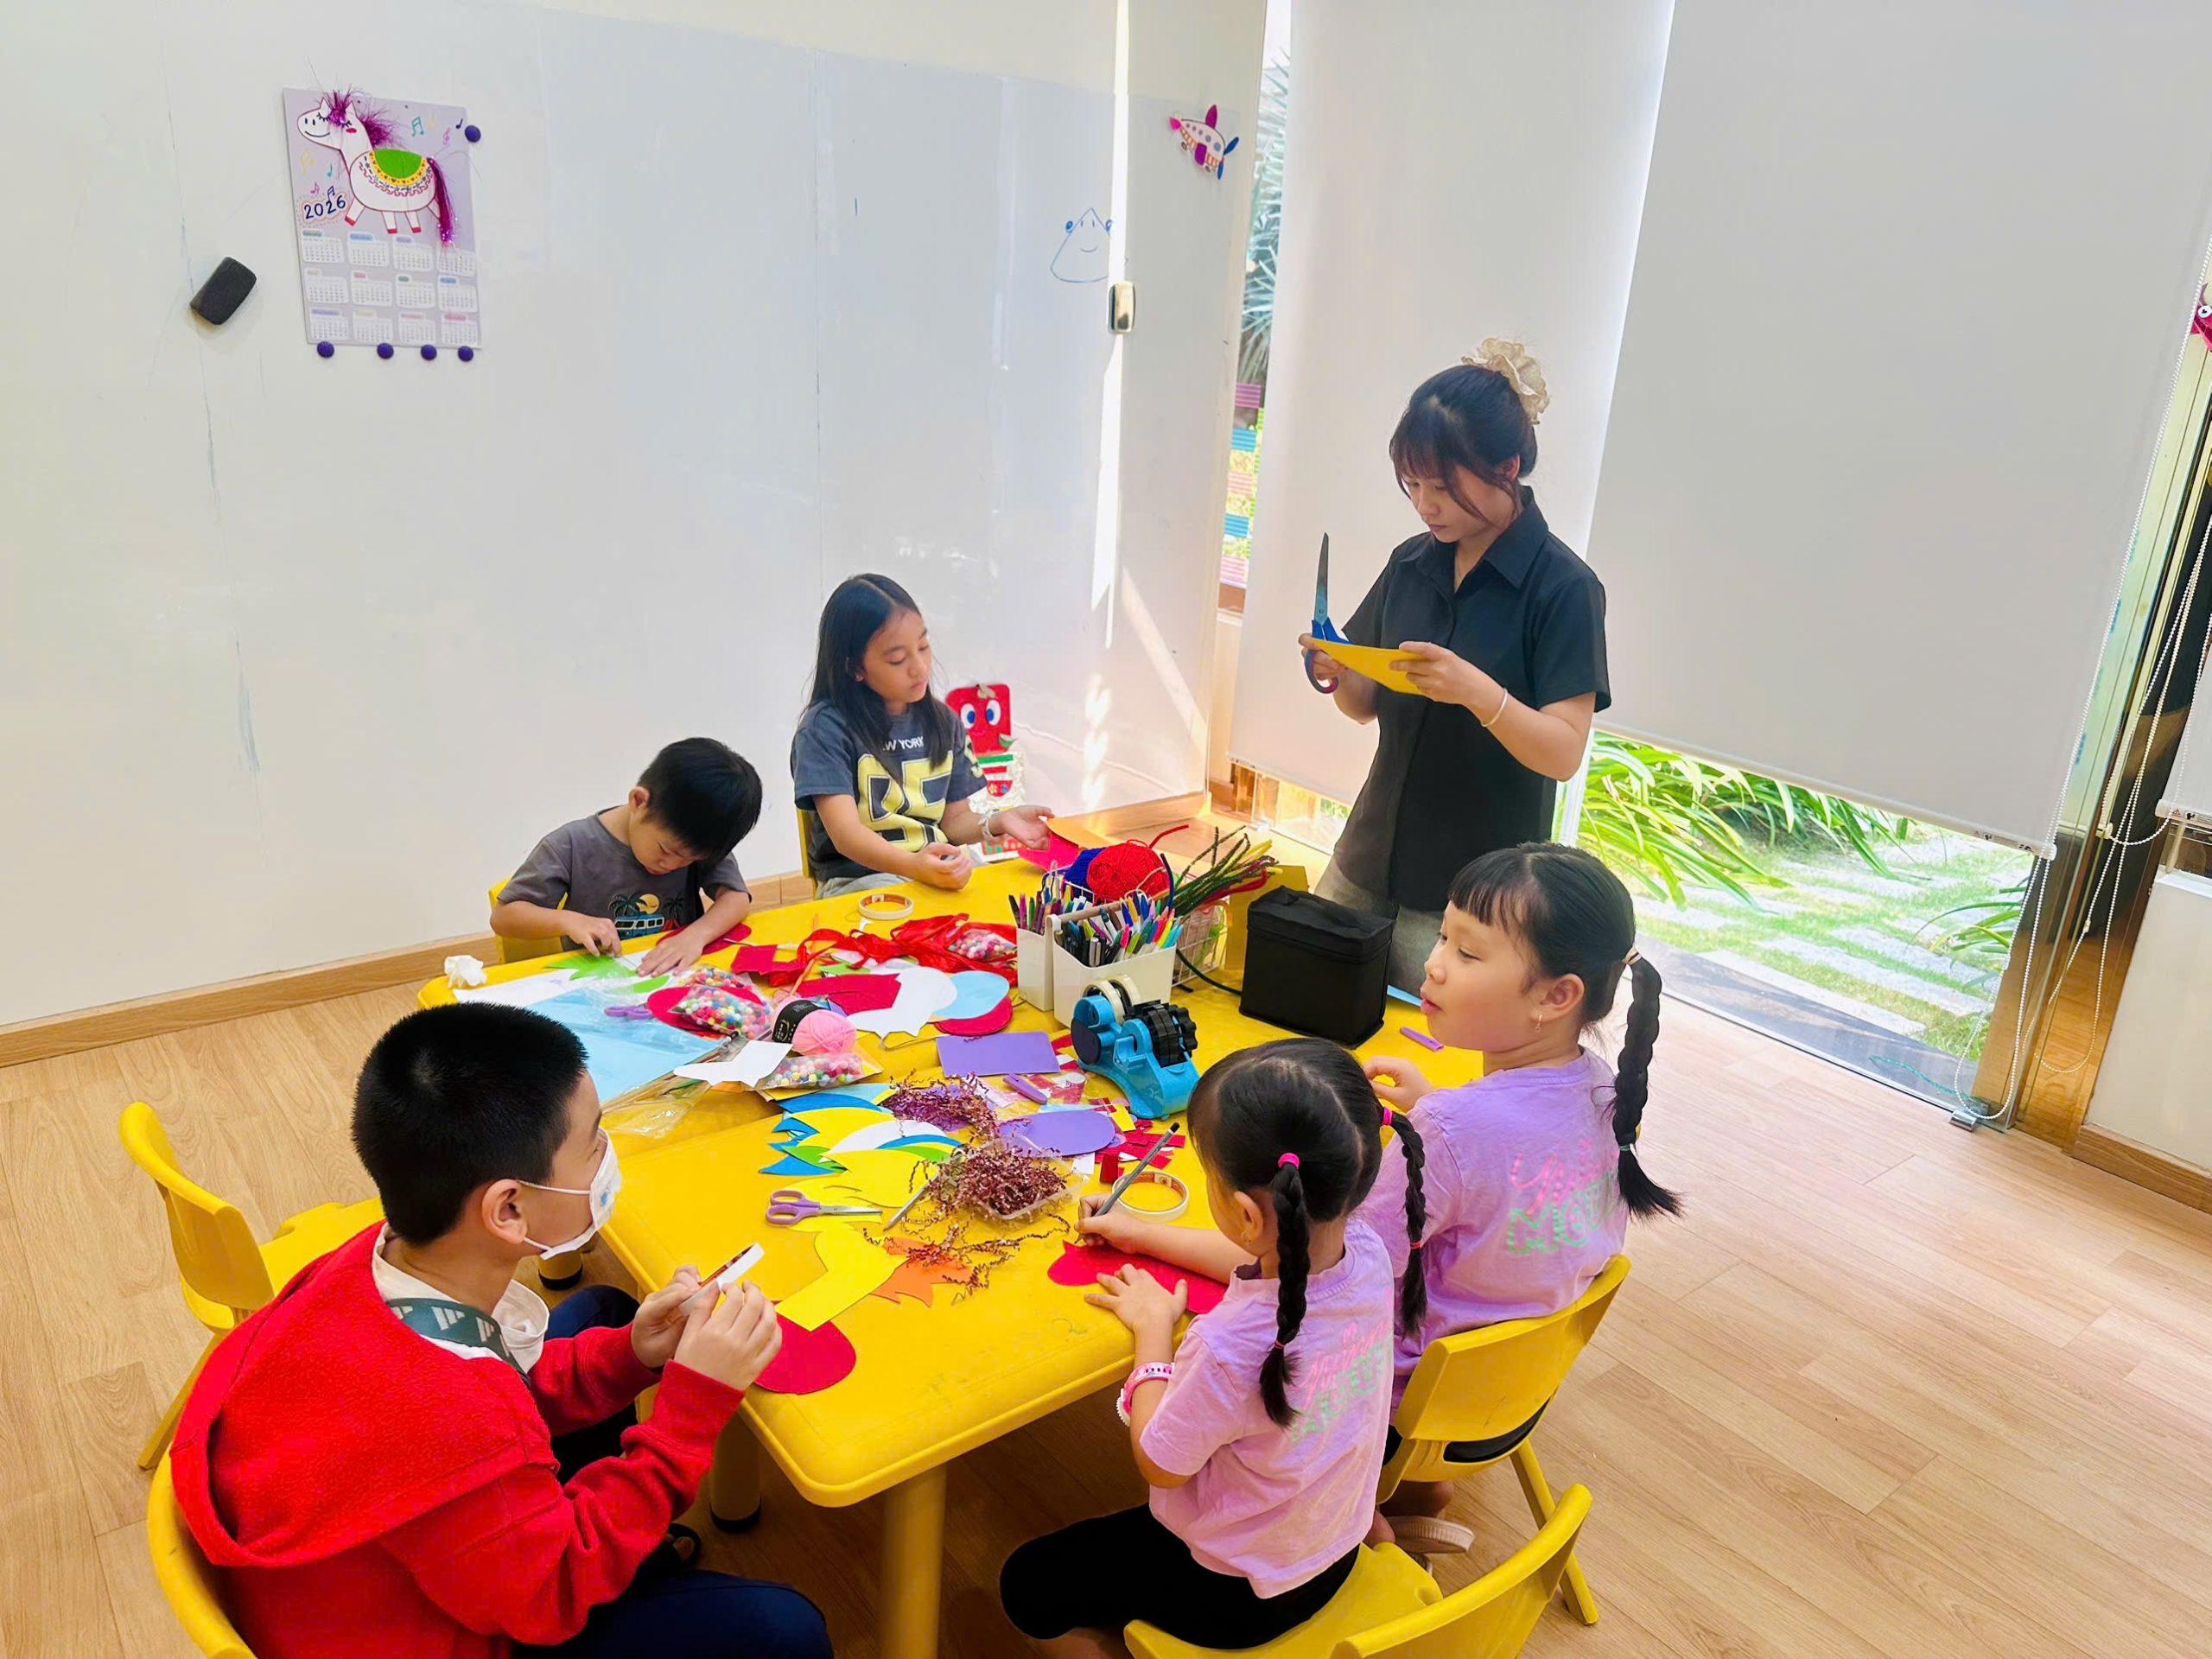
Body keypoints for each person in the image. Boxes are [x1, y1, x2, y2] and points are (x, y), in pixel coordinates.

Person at [169, 1004, 831, 1659]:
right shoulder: (448, 1421)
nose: (608, 1156)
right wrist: (689, 1413)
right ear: (508, 1208)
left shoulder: (374, 1260)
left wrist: (634, 1354)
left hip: (397, 1554)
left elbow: (500, 1389)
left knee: (605, 1314)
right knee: (786, 1631)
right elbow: (550, 1595)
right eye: (594, 1142)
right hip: (460, 1624)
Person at [1001, 1040, 1395, 1656]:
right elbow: (1265, 1252)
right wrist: (1143, 1236)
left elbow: (1160, 1462)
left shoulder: (1229, 1347)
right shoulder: (1368, 1254)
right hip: (1331, 1548)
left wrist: (1154, 1334)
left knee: (1026, 1583)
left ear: (1244, 1213)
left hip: (1234, 1595)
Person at [1356, 842, 1680, 1541]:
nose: (1435, 963)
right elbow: (1514, 1159)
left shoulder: (1450, 1130)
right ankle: (1419, 1489)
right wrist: (1438, 1110)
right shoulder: (1607, 1092)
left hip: (1395, 1406)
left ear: (1557, 996)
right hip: (1505, 1399)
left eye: (1469, 953)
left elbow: (1335, 1266)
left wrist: (1150, 1235)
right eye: (1444, 936)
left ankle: (1363, 1521)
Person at [1306, 342, 1611, 988]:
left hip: (1471, 898)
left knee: (1427, 1047)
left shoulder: (1564, 589)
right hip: (1366, 855)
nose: (1426, 505)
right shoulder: (1411, 561)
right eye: (1413, 485)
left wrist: (1479, 693)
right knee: (1310, 1009)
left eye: (1443, 488)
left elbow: (1563, 753)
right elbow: (1362, 707)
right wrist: (1338, 671)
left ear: (1507, 468)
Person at [792, 575, 1056, 897]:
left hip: (936, 865)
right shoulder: (824, 729)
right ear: (854, 668)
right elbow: (847, 836)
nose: (919, 667)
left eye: (923, 646)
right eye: (897, 659)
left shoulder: (943, 721)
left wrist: (999, 820)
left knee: (1012, 909)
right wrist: (914, 866)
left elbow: (954, 822)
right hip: (860, 878)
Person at [493, 737, 762, 976]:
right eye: (666, 851)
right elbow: (504, 917)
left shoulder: (697, 839)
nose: (672, 865)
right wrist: (569, 921)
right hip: (597, 982)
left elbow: (736, 898)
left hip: (676, 976)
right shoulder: (571, 845)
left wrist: (695, 936)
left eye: (689, 860)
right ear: (639, 802)